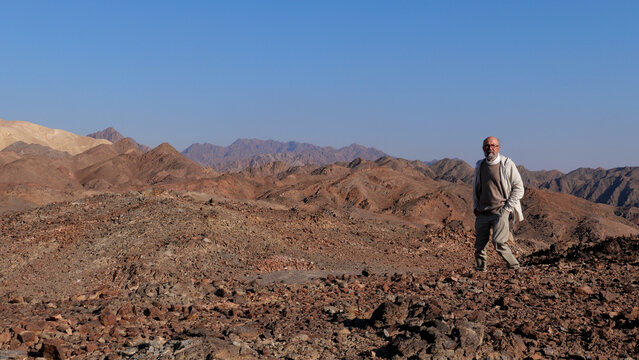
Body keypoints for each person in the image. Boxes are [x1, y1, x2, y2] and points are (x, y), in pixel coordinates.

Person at [472, 136, 524, 271]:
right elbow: (476, 187)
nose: (491, 149)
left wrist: (507, 209)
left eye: (494, 146)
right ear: (483, 148)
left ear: (499, 148)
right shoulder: (480, 165)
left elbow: (519, 188)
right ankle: (480, 270)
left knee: (499, 242)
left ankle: (514, 266)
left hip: (500, 211)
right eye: (487, 146)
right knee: (479, 245)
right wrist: (476, 206)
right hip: (483, 211)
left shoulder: (507, 164)